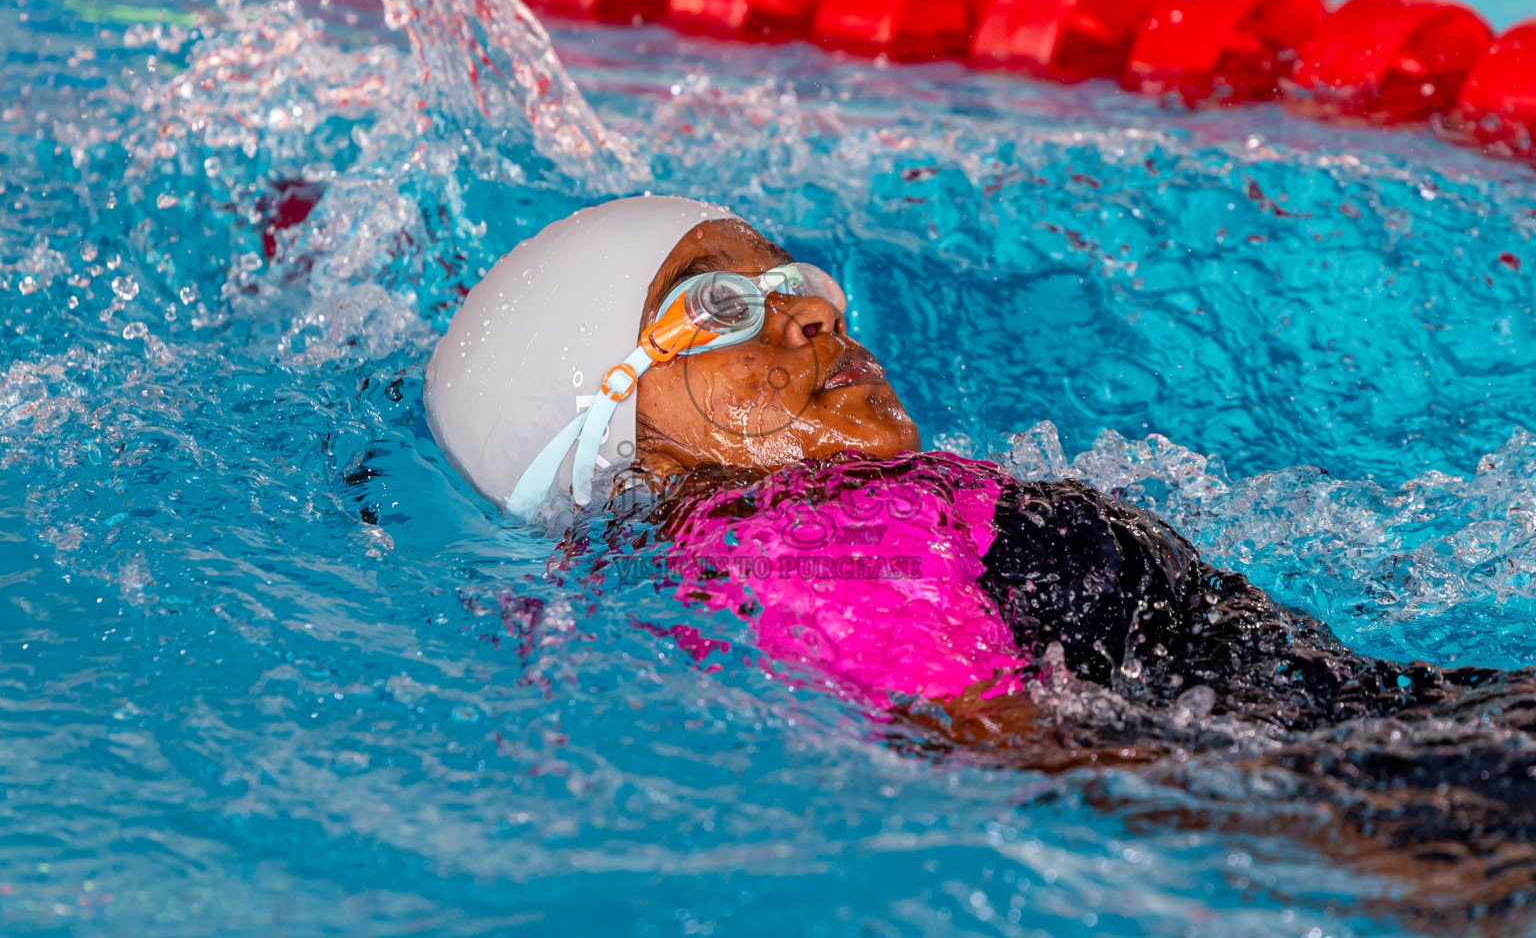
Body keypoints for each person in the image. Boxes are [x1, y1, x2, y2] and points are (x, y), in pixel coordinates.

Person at [425, 196, 1536, 924]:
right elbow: (999, 733)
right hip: (1404, 795)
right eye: (720, 308)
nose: (811, 312)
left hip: (1402, 734)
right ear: (609, 421)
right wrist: (1412, 865)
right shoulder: (787, 541)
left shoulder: (829, 512)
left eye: (791, 280)